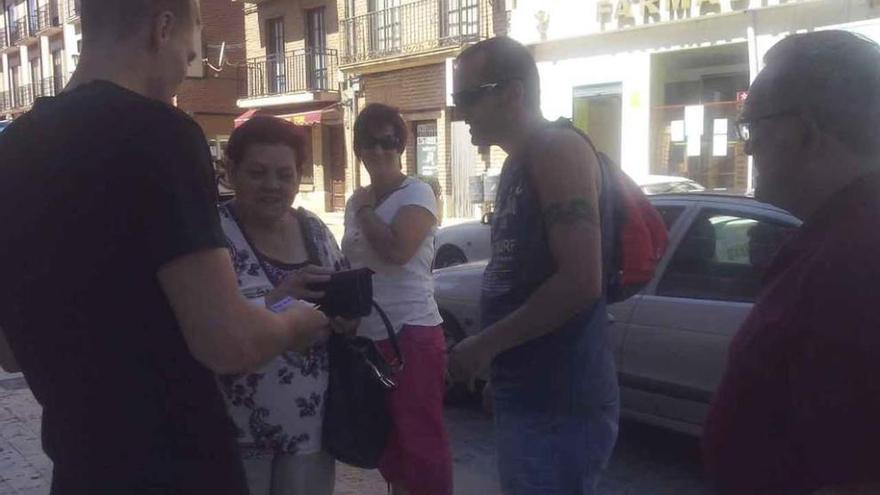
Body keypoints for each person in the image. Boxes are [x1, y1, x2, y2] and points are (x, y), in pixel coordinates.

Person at [0, 1, 328, 493]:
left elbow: (9, 352)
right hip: (174, 468)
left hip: (79, 468)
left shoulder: (12, 149)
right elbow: (227, 342)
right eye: (190, 55)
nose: (184, 72)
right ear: (164, 28)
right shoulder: (162, 135)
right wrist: (299, 321)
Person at [703, 30, 880, 494]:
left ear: (803, 133)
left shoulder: (857, 258)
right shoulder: (839, 235)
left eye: (752, 126)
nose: (747, 149)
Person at [448, 37, 619, 494]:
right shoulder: (517, 164)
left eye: (467, 97)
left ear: (512, 93)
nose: (459, 113)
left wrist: (483, 346)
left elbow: (581, 280)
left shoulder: (557, 150)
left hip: (558, 400)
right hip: (529, 391)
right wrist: (501, 366)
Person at [217, 116, 349, 495]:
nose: (272, 186)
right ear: (231, 171)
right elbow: (208, 322)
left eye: (284, 174)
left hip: (311, 429)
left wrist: (346, 315)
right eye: (257, 173)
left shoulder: (316, 231)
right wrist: (280, 298)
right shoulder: (209, 235)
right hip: (235, 434)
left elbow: (344, 310)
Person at [342, 103, 453, 495]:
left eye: (386, 141)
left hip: (411, 333)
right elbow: (353, 265)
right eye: (367, 142)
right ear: (357, 148)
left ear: (400, 145)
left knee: (421, 443)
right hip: (369, 335)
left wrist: (366, 209)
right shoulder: (356, 201)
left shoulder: (417, 192)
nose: (377, 150)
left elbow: (396, 250)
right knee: (388, 443)